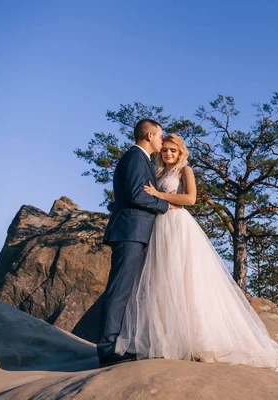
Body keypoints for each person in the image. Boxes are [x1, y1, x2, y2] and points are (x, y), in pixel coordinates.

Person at [115, 133, 278, 373]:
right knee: (161, 282)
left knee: (185, 279)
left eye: (172, 151)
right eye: (165, 150)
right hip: (159, 227)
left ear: (180, 152)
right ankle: (165, 339)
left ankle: (197, 341)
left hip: (177, 226)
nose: (167, 154)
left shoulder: (184, 171)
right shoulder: (155, 171)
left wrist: (159, 195)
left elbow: (191, 198)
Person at [98, 119, 174, 367]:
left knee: (127, 291)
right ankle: (108, 349)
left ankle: (118, 344)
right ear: (149, 134)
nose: (162, 141)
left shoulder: (142, 160)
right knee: (119, 290)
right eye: (160, 136)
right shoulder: (134, 157)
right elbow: (134, 194)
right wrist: (165, 205)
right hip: (130, 232)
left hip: (136, 232)